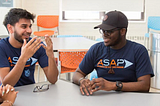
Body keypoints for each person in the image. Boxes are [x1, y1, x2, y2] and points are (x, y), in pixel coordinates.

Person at [72, 10, 154, 95]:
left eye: (109, 31)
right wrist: (82, 80)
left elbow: (144, 86)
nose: (104, 34)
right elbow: (78, 73)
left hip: (131, 98)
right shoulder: (96, 49)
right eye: (103, 30)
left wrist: (114, 85)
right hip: (103, 98)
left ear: (122, 31)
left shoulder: (138, 51)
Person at [0, 8, 59, 87]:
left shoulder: (36, 45)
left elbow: (53, 79)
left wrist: (51, 56)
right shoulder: (2, 47)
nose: (29, 30)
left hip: (30, 92)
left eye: (30, 26)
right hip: (7, 95)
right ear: (10, 28)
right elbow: (6, 84)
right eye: (24, 27)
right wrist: (23, 58)